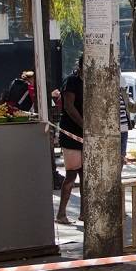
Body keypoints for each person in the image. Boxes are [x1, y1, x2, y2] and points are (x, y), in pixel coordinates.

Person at [56, 57, 84, 225]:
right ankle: (61, 213)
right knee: (72, 174)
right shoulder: (71, 81)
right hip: (71, 134)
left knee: (85, 175)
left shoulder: (92, 82)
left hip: (85, 135)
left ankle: (84, 213)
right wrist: (83, 124)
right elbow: (69, 106)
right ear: (79, 66)